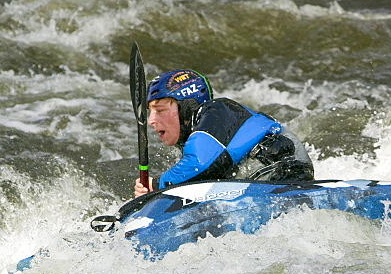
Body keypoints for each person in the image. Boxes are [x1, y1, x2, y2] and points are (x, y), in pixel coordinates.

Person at [133, 69, 314, 197]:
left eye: (160, 110)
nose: (151, 120)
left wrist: (156, 185)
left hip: (285, 177)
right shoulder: (197, 138)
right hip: (263, 186)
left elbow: (201, 164)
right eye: (150, 112)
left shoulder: (217, 110)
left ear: (186, 108)